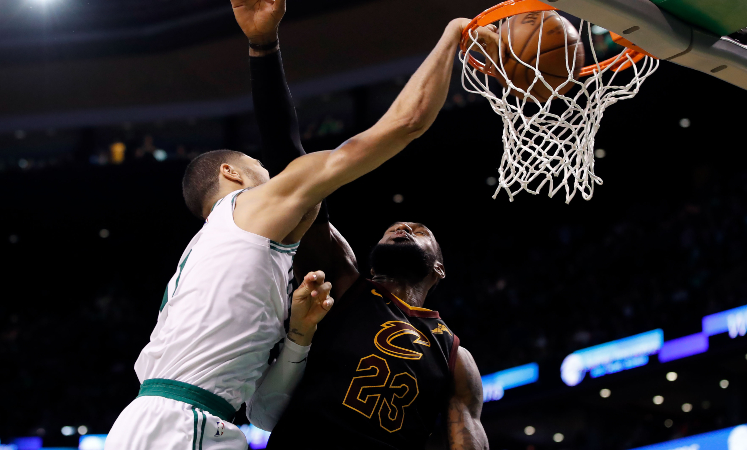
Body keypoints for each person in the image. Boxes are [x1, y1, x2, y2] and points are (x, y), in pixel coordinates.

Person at [105, 0, 494, 447]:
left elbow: (267, 412)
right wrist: (453, 34)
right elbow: (390, 126)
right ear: (233, 176)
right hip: (185, 425)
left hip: (181, 420)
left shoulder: (222, 249)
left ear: (440, 268)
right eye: (260, 167)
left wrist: (299, 335)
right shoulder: (254, 213)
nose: (275, 176)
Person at [237, 0, 493, 447]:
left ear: (439, 270)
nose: (403, 226)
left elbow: (467, 439)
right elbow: (288, 165)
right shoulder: (344, 281)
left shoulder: (454, 357)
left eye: (419, 230)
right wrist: (263, 46)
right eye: (396, 226)